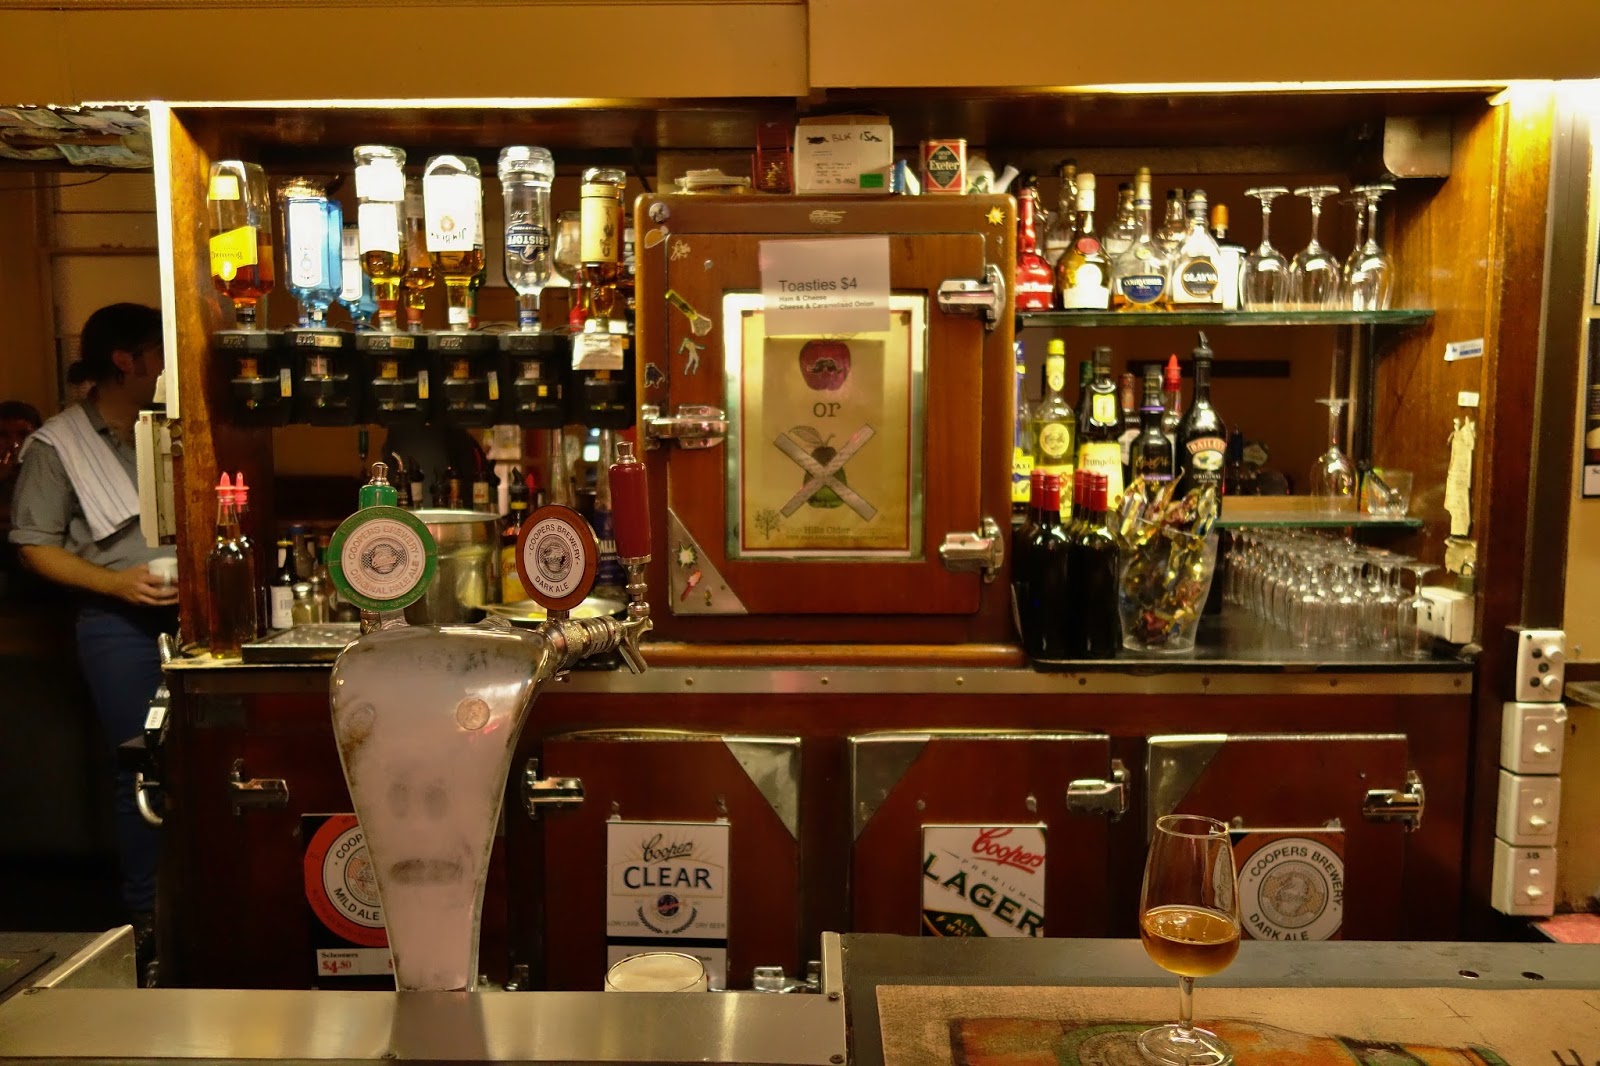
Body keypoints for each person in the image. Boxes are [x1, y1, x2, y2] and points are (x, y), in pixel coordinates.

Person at [8, 304, 176, 980]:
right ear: (124, 361)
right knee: (141, 767)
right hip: (116, 623)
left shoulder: (170, 427)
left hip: (193, 616)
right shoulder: (58, 445)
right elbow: (33, 547)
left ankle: (206, 906)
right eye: (156, 353)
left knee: (204, 764)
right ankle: (148, 921)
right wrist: (117, 585)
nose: (165, 365)